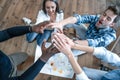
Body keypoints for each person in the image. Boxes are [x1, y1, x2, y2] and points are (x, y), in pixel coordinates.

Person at [52, 32, 120, 80]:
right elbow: (105, 54)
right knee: (83, 71)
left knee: (79, 75)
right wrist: (74, 45)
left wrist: (69, 54)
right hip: (110, 76)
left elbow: (83, 78)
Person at [47, 5, 120, 47]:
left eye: (108, 19)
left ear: (112, 24)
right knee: (73, 20)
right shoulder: (97, 18)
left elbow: (92, 43)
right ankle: (53, 28)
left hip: (88, 46)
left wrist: (71, 42)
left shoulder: (110, 36)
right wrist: (61, 23)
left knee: (68, 50)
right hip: (86, 34)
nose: (103, 18)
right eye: (104, 14)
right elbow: (79, 18)